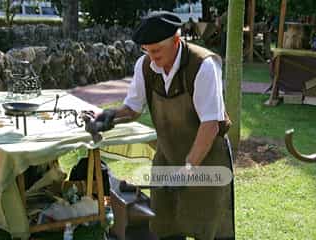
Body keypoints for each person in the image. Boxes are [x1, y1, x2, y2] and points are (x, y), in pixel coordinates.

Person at [94, 11, 235, 240]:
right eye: (146, 50)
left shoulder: (204, 65)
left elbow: (210, 125)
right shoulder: (145, 65)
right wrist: (110, 115)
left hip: (207, 159)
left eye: (156, 50)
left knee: (207, 227)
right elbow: (132, 108)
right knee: (165, 225)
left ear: (176, 41)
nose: (151, 56)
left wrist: (188, 170)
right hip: (168, 156)